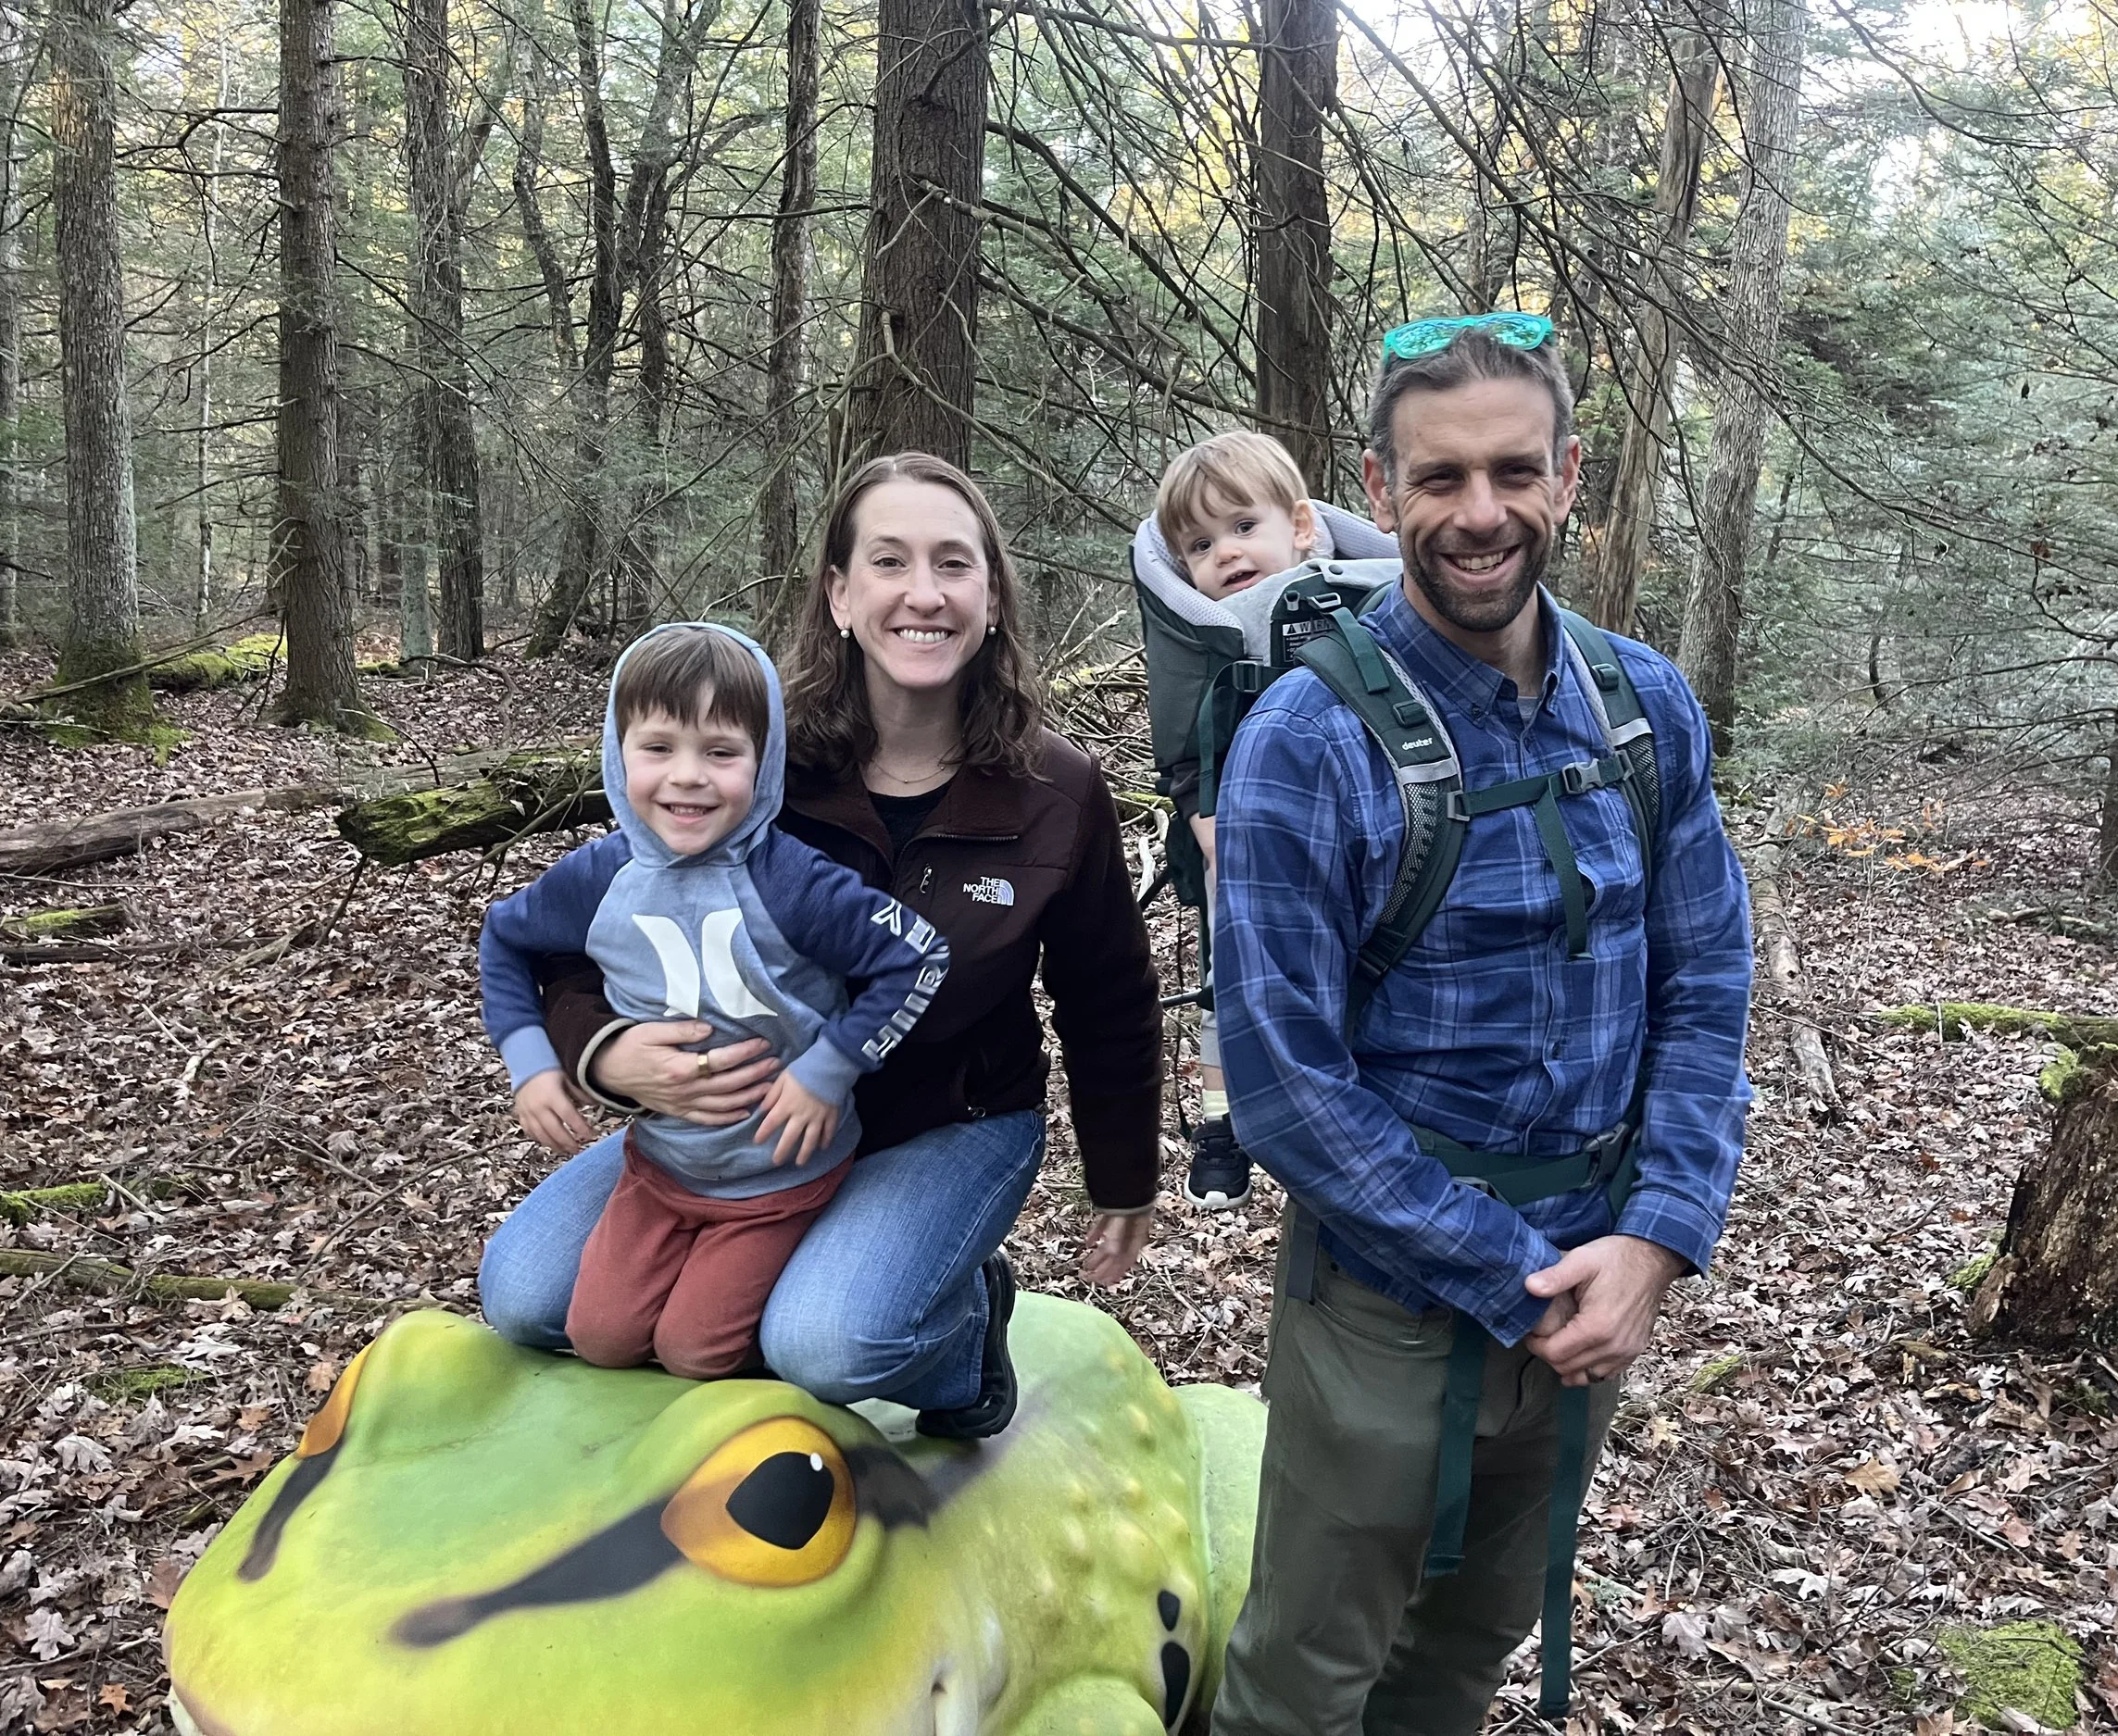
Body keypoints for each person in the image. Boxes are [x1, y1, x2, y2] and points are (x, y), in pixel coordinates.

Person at [1207, 313, 1753, 1733]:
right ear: (1379, 496)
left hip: (1595, 1283)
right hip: (1389, 1299)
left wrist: (1656, 1233)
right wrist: (1523, 1274)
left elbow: (1704, 986)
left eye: (1515, 471)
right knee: (1307, 1674)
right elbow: (1282, 1084)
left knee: (1464, 1650)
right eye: (1440, 479)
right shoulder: (1305, 742)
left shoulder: (1645, 708)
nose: (1481, 511)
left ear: (1569, 476)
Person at [480, 453, 1163, 1441]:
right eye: (888, 562)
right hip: (735, 1129)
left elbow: (1107, 998)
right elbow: (597, 933)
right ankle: (803, 1271)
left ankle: (966, 1328)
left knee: (828, 1345)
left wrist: (1122, 1177)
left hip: (947, 1120)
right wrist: (605, 1057)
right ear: (840, 595)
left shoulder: (1053, 790)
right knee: (529, 1300)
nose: (921, 594)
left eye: (953, 565)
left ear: (993, 597)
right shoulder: (753, 765)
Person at [477, 623, 947, 1380]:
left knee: (695, 1351)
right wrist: (532, 1063)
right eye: (657, 748)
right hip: (661, 1164)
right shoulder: (601, 875)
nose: (687, 777)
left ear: (763, 763)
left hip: (780, 1173)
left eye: (721, 752)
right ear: (616, 750)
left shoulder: (793, 880)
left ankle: (809, 1284)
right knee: (599, 1336)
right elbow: (504, 940)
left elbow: (919, 957)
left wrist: (828, 1069)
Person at [1135, 430, 1397, 1210]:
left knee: (1355, 965)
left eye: (1245, 527)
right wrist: (1204, 820)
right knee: (1231, 977)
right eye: (1201, 543)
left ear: (1301, 527)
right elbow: (1181, 749)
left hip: (1353, 830)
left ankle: (1349, 1092)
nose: (1227, 552)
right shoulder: (1200, 637)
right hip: (1239, 839)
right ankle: (1222, 1124)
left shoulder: (1355, 593)